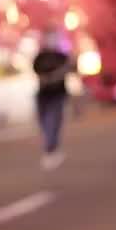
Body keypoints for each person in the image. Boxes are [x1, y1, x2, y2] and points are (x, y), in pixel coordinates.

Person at [32, 30, 71, 171]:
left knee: (53, 122)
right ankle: (50, 148)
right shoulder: (40, 57)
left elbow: (68, 69)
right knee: (44, 122)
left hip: (58, 95)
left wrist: (55, 76)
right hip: (43, 95)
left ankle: (51, 149)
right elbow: (37, 72)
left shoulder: (62, 57)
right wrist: (48, 77)